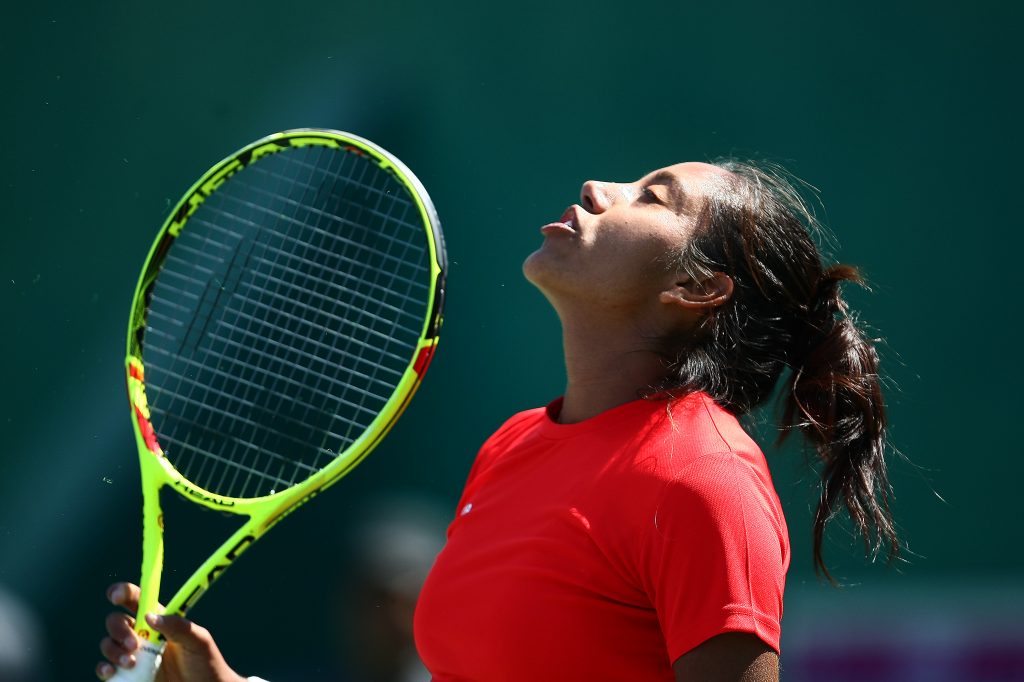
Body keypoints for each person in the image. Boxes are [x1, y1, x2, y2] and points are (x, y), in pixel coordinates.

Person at [97, 160, 898, 682]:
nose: (599, 187)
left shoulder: (703, 480)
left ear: (699, 289)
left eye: (653, 197)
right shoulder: (512, 446)